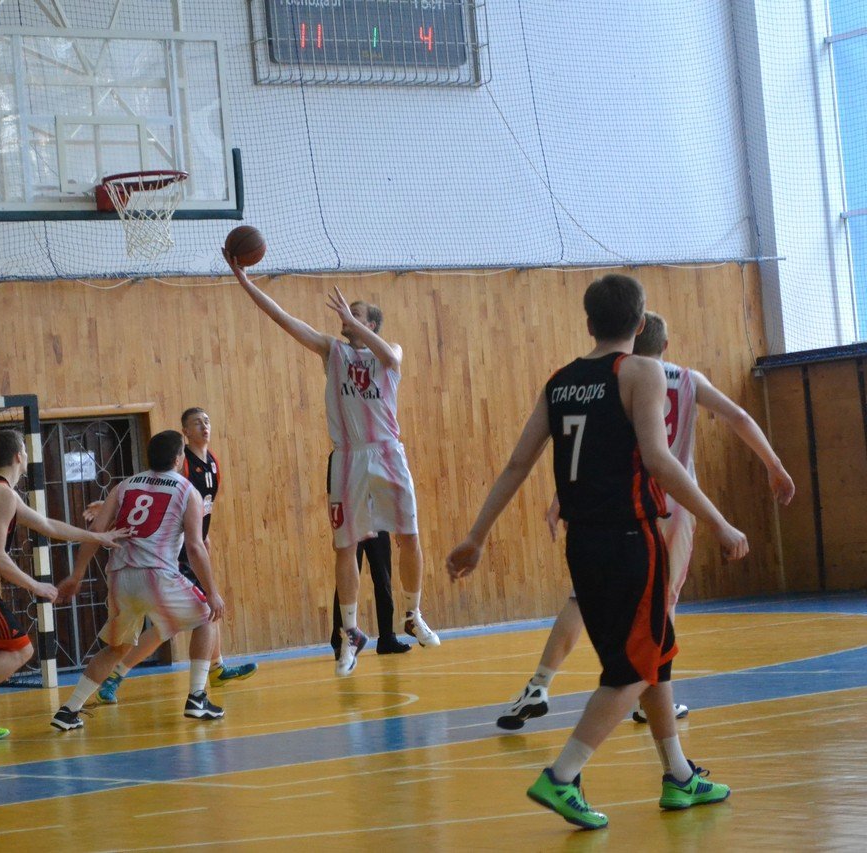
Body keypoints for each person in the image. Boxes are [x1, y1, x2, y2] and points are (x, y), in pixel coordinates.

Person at [447, 274, 746, 829]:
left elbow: (518, 464)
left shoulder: (560, 382)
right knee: (633, 668)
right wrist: (720, 523)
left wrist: (476, 536)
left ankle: (679, 775)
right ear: (641, 322)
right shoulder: (641, 370)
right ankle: (562, 776)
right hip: (630, 539)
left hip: (583, 543)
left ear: (588, 323)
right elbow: (659, 460)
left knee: (656, 653)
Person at [496, 311, 795, 731]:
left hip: (624, 501)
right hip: (677, 503)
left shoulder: (619, 379)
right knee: (663, 604)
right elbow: (740, 418)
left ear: (630, 339)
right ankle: (650, 698)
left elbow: (595, 449)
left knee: (582, 598)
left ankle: (540, 683)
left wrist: (563, 496)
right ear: (665, 345)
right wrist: (774, 464)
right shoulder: (688, 379)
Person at [225, 255, 439, 678]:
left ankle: (413, 614)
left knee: (409, 537)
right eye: (345, 314)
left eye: (354, 314)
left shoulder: (389, 352)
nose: (344, 318)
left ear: (371, 323)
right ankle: (352, 631)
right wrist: (244, 281)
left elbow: (390, 355)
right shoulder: (332, 350)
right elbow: (284, 320)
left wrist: (354, 322)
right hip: (347, 457)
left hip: (387, 453)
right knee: (345, 547)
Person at [0, 429, 131, 741]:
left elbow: (47, 525)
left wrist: (98, 536)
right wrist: (36, 586)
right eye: (26, 451)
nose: (27, 456)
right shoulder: (2, 495)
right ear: (19, 456)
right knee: (20, 649)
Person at [52, 430, 227, 730]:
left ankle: (68, 710)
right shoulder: (187, 490)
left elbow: (96, 533)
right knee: (206, 616)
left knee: (117, 647)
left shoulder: (124, 486)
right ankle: (197, 697)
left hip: (119, 577)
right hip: (156, 574)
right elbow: (195, 547)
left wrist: (77, 574)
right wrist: (212, 591)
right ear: (178, 459)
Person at [95, 408, 257, 705]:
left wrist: (204, 537)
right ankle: (119, 675)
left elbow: (203, 507)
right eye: (197, 422)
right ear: (185, 433)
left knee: (199, 612)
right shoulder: (181, 468)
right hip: (171, 552)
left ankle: (216, 668)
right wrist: (109, 507)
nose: (204, 426)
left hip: (192, 545)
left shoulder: (212, 462)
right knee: (181, 619)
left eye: (207, 420)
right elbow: (158, 500)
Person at [330, 531, 411, 657]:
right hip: (352, 524)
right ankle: (340, 641)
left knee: (384, 580)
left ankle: (387, 639)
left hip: (377, 524)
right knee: (347, 583)